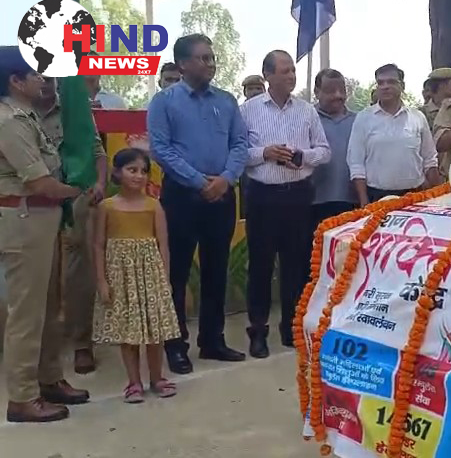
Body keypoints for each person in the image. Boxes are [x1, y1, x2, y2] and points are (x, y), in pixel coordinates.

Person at [148, 33, 249, 375]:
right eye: (203, 58)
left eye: (212, 57)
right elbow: (161, 150)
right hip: (182, 197)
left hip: (222, 194)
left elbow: (240, 144)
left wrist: (225, 179)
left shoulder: (227, 101)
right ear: (183, 64)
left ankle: (212, 340)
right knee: (177, 273)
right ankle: (176, 345)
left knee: (216, 270)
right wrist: (199, 181)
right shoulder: (164, 102)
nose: (210, 64)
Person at [0, 45, 89, 422]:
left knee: (51, 305)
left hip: (43, 218)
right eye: (35, 73)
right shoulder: (9, 120)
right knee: (27, 311)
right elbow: (38, 181)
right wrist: (75, 189)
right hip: (25, 217)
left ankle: (49, 378)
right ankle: (22, 396)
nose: (43, 79)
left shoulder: (28, 115)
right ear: (15, 81)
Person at [240, 50, 330, 357]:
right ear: (268, 75)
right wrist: (264, 153)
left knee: (296, 265)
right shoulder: (248, 110)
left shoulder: (306, 110)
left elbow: (324, 151)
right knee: (261, 266)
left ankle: (291, 326)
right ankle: (258, 331)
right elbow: (237, 152)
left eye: (292, 70)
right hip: (262, 197)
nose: (291, 76)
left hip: (298, 195)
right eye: (284, 71)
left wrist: (303, 157)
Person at [92, 148, 180, 403]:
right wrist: (102, 281)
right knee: (128, 333)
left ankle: (157, 378)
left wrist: (164, 279)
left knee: (155, 332)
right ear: (117, 173)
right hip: (121, 278)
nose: (139, 176)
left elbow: (163, 244)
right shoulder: (107, 207)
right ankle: (134, 382)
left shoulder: (154, 205)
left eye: (144, 171)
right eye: (132, 170)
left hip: (150, 276)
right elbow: (98, 245)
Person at [35, 77, 108, 375]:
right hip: (32, 201)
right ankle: (41, 350)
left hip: (76, 197)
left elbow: (96, 151)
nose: (44, 81)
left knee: (79, 272)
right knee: (39, 275)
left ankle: (81, 344)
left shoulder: (74, 107)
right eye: (37, 75)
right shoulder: (15, 112)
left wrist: (100, 183)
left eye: (49, 76)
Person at [347, 63, 439, 205]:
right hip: (376, 196)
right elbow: (356, 163)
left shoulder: (417, 117)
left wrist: (436, 195)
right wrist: (363, 200)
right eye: (380, 83)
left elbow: (430, 158)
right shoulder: (364, 118)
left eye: (391, 82)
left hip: (414, 195)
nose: (385, 86)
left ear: (402, 86)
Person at [312, 68, 357, 229]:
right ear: (317, 92)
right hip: (312, 202)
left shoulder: (358, 121)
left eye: (342, 90)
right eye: (331, 91)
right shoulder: (306, 119)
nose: (338, 95)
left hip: (351, 201)